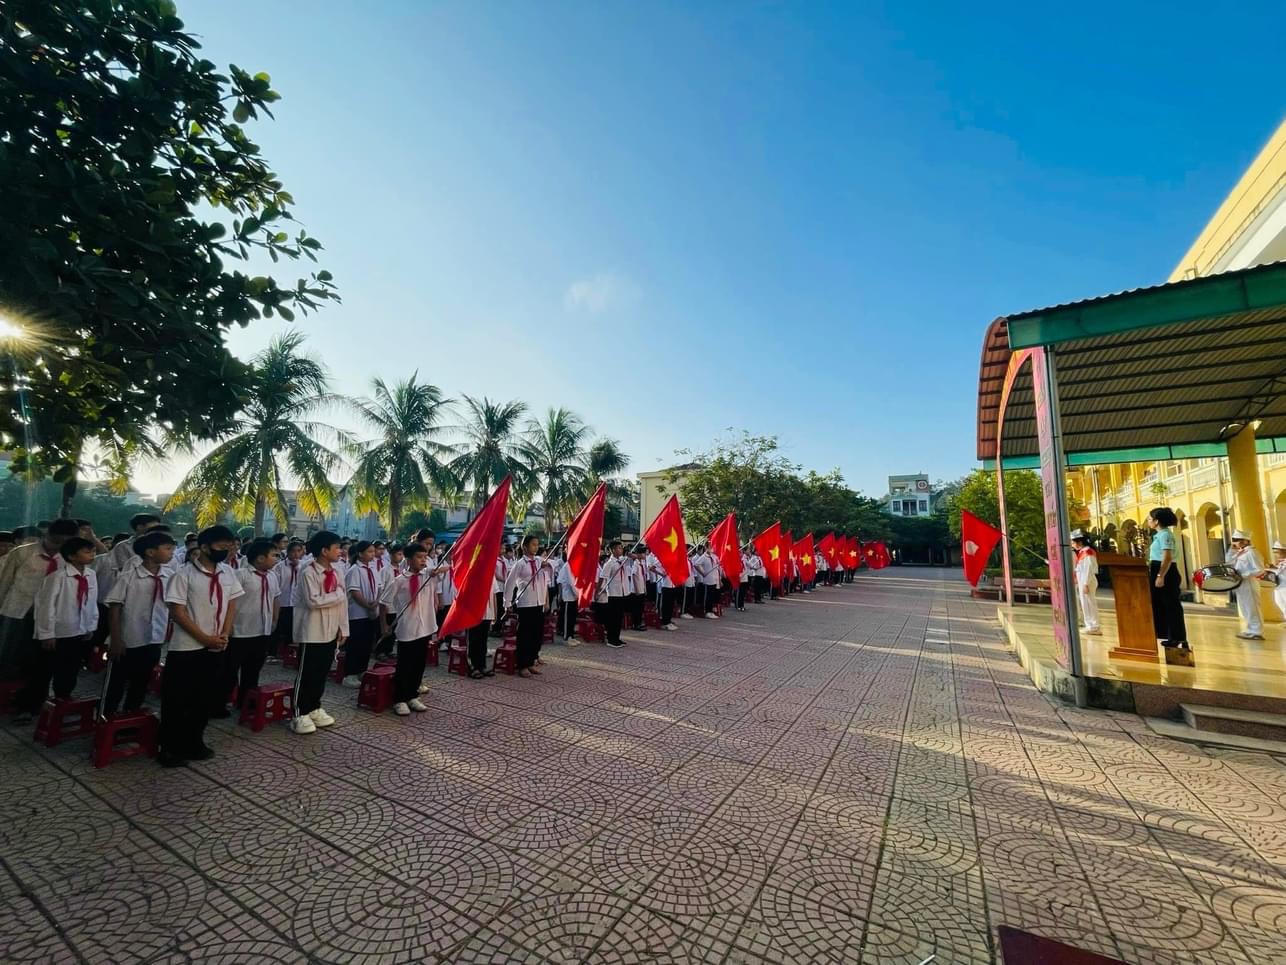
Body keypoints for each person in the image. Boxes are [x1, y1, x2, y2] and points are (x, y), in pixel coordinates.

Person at [161, 525, 243, 766]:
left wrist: (224, 633)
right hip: (187, 647)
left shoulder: (228, 573)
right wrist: (204, 638)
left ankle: (194, 741)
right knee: (178, 699)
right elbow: (178, 612)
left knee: (204, 698)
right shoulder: (184, 574)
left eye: (228, 547)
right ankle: (170, 747)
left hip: (216, 645)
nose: (225, 551)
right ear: (205, 547)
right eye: (220, 546)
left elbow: (231, 604)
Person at [5, 518, 80, 718]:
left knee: (43, 662)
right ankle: (20, 700)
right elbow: (5, 582)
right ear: (47, 534)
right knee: (18, 660)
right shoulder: (22, 553)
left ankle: (33, 703)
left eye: (65, 542)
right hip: (20, 614)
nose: (58, 546)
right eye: (56, 541)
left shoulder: (72, 558)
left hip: (51, 618)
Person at [103, 530, 175, 715]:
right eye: (167, 549)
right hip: (129, 638)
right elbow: (114, 607)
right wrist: (116, 639)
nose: (172, 553)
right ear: (150, 552)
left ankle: (131, 713)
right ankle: (106, 715)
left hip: (154, 638)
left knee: (142, 680)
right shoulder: (129, 576)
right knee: (117, 680)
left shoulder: (170, 576)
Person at [29, 536, 99, 711]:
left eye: (93, 551)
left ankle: (63, 698)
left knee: (70, 668)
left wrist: (90, 626)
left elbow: (91, 602)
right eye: (87, 552)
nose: (92, 555)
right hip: (58, 632)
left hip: (78, 630)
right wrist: (47, 633)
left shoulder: (90, 575)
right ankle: (34, 704)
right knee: (45, 669)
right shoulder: (58, 577)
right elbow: (46, 606)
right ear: (71, 556)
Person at [291, 530, 348, 734]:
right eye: (337, 548)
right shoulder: (308, 572)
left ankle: (314, 707)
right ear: (324, 551)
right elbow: (313, 601)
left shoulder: (337, 571)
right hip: (312, 630)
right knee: (307, 672)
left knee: (322, 671)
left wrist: (343, 627)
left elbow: (343, 604)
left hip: (331, 629)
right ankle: (299, 712)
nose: (340, 551)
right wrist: (338, 594)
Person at [217, 539, 281, 717]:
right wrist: (227, 626)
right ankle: (219, 703)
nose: (277, 559)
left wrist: (274, 619)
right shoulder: (241, 575)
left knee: (253, 670)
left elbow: (275, 598)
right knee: (229, 670)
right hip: (240, 630)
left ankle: (246, 702)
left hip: (262, 630)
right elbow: (229, 601)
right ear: (260, 558)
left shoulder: (272, 576)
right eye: (273, 555)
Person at [378, 542, 437, 712]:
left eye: (425, 557)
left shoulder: (428, 576)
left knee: (419, 664)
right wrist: (384, 625)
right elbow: (383, 602)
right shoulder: (399, 580)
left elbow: (443, 569)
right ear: (409, 560)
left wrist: (436, 570)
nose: (423, 560)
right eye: (419, 557)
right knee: (405, 664)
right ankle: (400, 699)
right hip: (407, 628)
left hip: (425, 628)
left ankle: (412, 695)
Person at [503, 535, 552, 678]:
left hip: (539, 603)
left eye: (537, 544)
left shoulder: (540, 561)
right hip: (525, 603)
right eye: (533, 544)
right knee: (525, 635)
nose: (536, 547)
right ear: (525, 547)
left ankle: (531, 661)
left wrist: (547, 566)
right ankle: (522, 665)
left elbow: (551, 570)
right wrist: (507, 602)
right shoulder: (520, 564)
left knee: (536, 634)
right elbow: (509, 583)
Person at [1146, 508, 1188, 651]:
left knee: (1171, 605)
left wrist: (1160, 575)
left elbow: (1167, 557)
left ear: (1157, 521)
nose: (1148, 521)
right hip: (1158, 568)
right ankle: (1169, 636)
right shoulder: (1160, 535)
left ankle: (1177, 637)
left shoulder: (1165, 535)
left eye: (1150, 519)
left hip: (1165, 571)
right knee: (1162, 605)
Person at [342, 540, 381, 686]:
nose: (373, 554)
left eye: (373, 551)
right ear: (360, 553)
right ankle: (350, 674)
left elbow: (379, 587)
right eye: (369, 551)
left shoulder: (373, 569)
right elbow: (354, 591)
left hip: (371, 612)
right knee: (356, 644)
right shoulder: (354, 570)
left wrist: (376, 602)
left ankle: (362, 670)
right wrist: (367, 605)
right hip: (357, 614)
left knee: (367, 644)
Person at [1226, 530, 1266, 640]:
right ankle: (1250, 630)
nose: (1235, 542)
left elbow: (1260, 569)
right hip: (1240, 584)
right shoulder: (1241, 553)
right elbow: (1229, 562)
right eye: (1233, 540)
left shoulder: (1252, 552)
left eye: (1237, 540)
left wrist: (1243, 575)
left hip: (1249, 583)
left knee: (1252, 608)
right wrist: (1232, 550)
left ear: (1245, 541)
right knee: (1245, 608)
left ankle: (1257, 631)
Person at [272, 540, 306, 659]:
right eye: (293, 551)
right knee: (279, 627)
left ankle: (289, 653)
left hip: (296, 603)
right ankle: (273, 652)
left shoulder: (304, 566)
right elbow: (276, 585)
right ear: (288, 552)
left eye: (298, 551)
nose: (296, 554)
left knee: (292, 628)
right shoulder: (280, 567)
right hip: (282, 601)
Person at [599, 540, 630, 648]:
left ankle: (617, 637)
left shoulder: (622, 561)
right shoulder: (609, 563)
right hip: (613, 593)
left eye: (621, 548)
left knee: (619, 617)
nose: (620, 550)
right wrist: (598, 591)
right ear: (612, 550)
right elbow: (602, 577)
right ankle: (611, 639)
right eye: (618, 548)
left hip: (622, 592)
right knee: (613, 618)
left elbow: (632, 558)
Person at [1070, 530, 1101, 635]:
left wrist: (1085, 584)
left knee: (1089, 604)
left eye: (1073, 542)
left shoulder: (1087, 552)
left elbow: (1088, 569)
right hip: (1083, 581)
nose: (1072, 545)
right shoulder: (1083, 552)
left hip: (1087, 581)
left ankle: (1094, 626)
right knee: (1085, 604)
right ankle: (1090, 626)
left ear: (1079, 542)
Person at [555, 552, 579, 644]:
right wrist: (579, 595)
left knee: (572, 618)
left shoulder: (574, 565)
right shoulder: (568, 565)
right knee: (567, 618)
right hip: (568, 596)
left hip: (574, 596)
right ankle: (567, 637)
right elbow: (571, 583)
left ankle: (571, 636)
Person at [628, 548, 648, 630]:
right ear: (639, 554)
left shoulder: (642, 563)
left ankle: (639, 623)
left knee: (640, 608)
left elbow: (643, 577)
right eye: (644, 553)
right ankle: (635, 624)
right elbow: (633, 576)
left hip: (641, 588)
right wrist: (636, 589)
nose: (645, 555)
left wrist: (645, 588)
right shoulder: (635, 564)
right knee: (636, 608)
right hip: (636, 590)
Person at [1271, 541, 1286, 623]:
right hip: (1279, 586)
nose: (1276, 554)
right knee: (1279, 602)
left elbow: (1279, 572)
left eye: (1277, 552)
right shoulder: (1280, 562)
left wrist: (1272, 569)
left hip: (1284, 586)